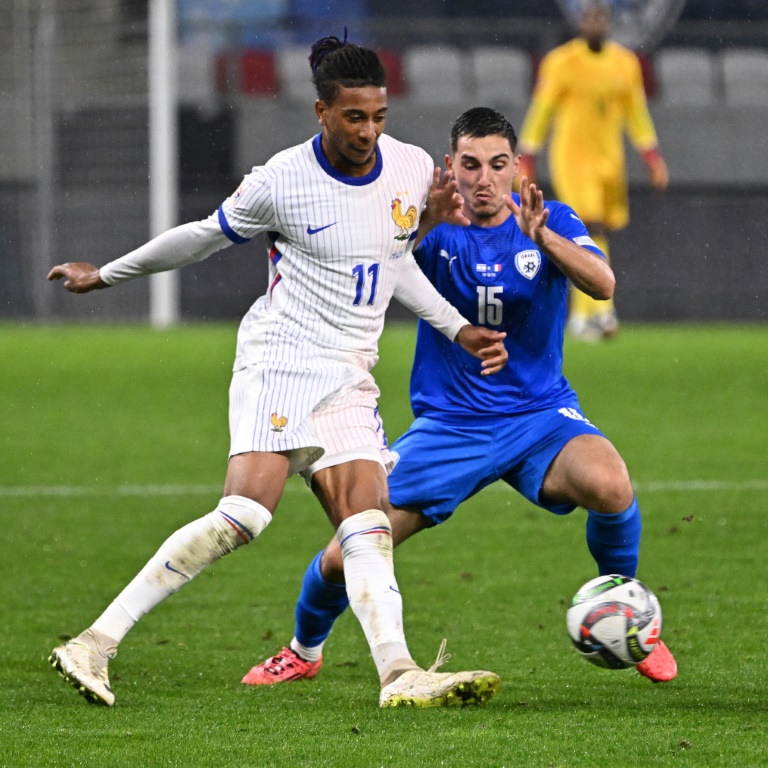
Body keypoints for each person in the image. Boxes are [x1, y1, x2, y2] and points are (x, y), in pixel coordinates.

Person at [46, 34, 509, 709]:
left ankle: (400, 673)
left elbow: (389, 259)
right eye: (354, 117)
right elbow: (201, 236)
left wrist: (457, 326)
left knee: (368, 522)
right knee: (244, 515)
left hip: (350, 372)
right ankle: (95, 642)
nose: (369, 131)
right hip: (283, 358)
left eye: (378, 116)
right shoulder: (282, 179)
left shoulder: (409, 168)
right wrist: (107, 274)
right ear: (322, 112)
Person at [242, 107, 678, 688]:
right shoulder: (428, 226)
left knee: (611, 483)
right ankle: (303, 648)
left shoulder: (549, 220)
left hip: (539, 416)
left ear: (516, 167)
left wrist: (541, 235)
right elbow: (369, 266)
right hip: (451, 425)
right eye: (470, 165)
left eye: (498, 164)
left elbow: (602, 284)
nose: (484, 179)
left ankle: (628, 613)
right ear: (450, 167)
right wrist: (421, 226)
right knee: (354, 545)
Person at [517, 0, 669, 341]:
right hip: (571, 157)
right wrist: (527, 157)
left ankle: (581, 317)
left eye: (601, 18)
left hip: (609, 160)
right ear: (581, 23)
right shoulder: (562, 62)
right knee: (588, 223)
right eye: (590, 18)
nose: (595, 24)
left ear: (608, 23)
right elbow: (542, 111)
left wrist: (652, 157)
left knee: (596, 231)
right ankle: (601, 312)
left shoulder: (625, 64)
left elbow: (637, 113)